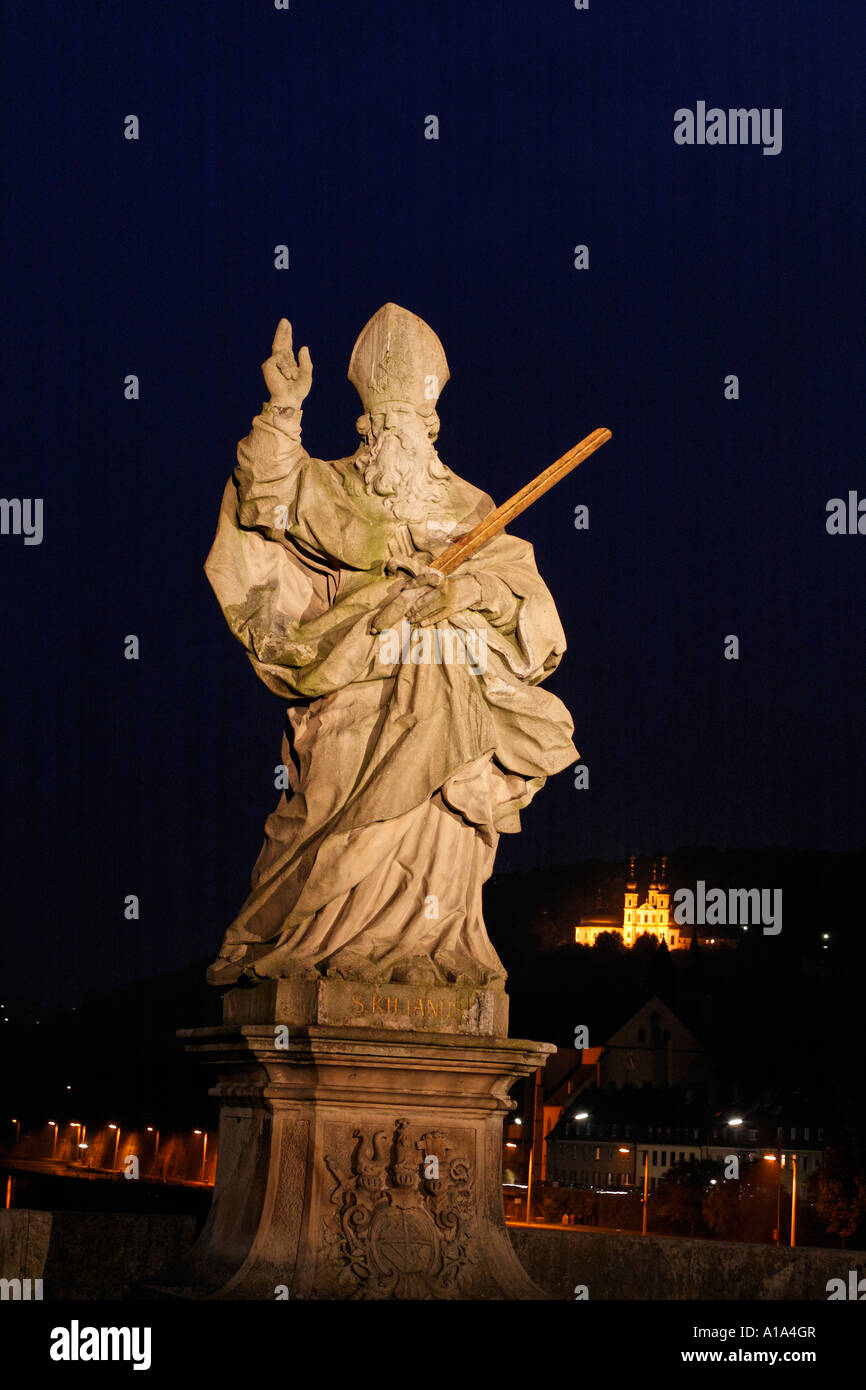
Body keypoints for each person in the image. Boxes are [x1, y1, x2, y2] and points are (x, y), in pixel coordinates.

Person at [205, 304, 576, 989]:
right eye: (380, 426)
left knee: (441, 804)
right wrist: (282, 411)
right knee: (328, 806)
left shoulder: (472, 507)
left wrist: (464, 595)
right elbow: (265, 494)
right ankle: (319, 942)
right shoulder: (336, 487)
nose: (391, 439)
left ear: (430, 430)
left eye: (405, 426)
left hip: (451, 691)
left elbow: (526, 601)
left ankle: (430, 952)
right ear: (363, 429)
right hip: (357, 683)